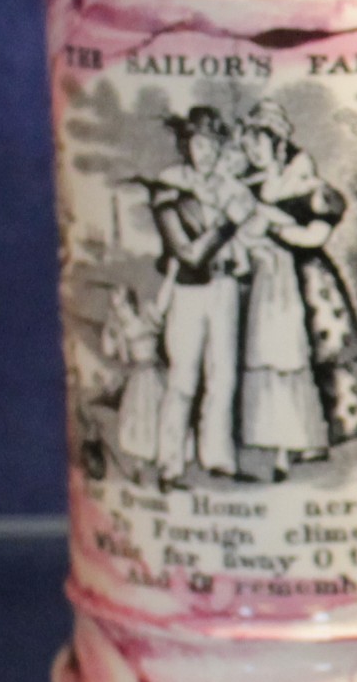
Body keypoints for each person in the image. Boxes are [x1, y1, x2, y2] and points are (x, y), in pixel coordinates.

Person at [235, 104, 357, 450]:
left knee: (322, 349)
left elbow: (313, 237)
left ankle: (339, 424)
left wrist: (274, 223)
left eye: (257, 145)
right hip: (267, 281)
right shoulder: (252, 186)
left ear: (277, 144)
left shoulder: (306, 186)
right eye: (247, 148)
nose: (252, 154)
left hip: (308, 280)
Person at [145, 107, 251, 486]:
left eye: (213, 145)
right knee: (183, 378)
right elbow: (188, 252)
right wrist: (226, 224)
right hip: (189, 292)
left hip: (224, 288)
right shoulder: (170, 188)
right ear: (185, 145)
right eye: (199, 144)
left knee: (223, 376)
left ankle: (219, 458)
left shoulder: (228, 186)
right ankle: (170, 464)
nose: (206, 152)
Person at [100, 285, 168, 477]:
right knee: (138, 418)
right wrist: (112, 330)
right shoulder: (122, 330)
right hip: (139, 376)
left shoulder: (146, 317)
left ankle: (163, 461)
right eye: (116, 308)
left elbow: (157, 329)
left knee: (157, 414)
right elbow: (117, 355)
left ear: (130, 304)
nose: (119, 311)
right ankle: (140, 465)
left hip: (154, 374)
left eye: (121, 306)